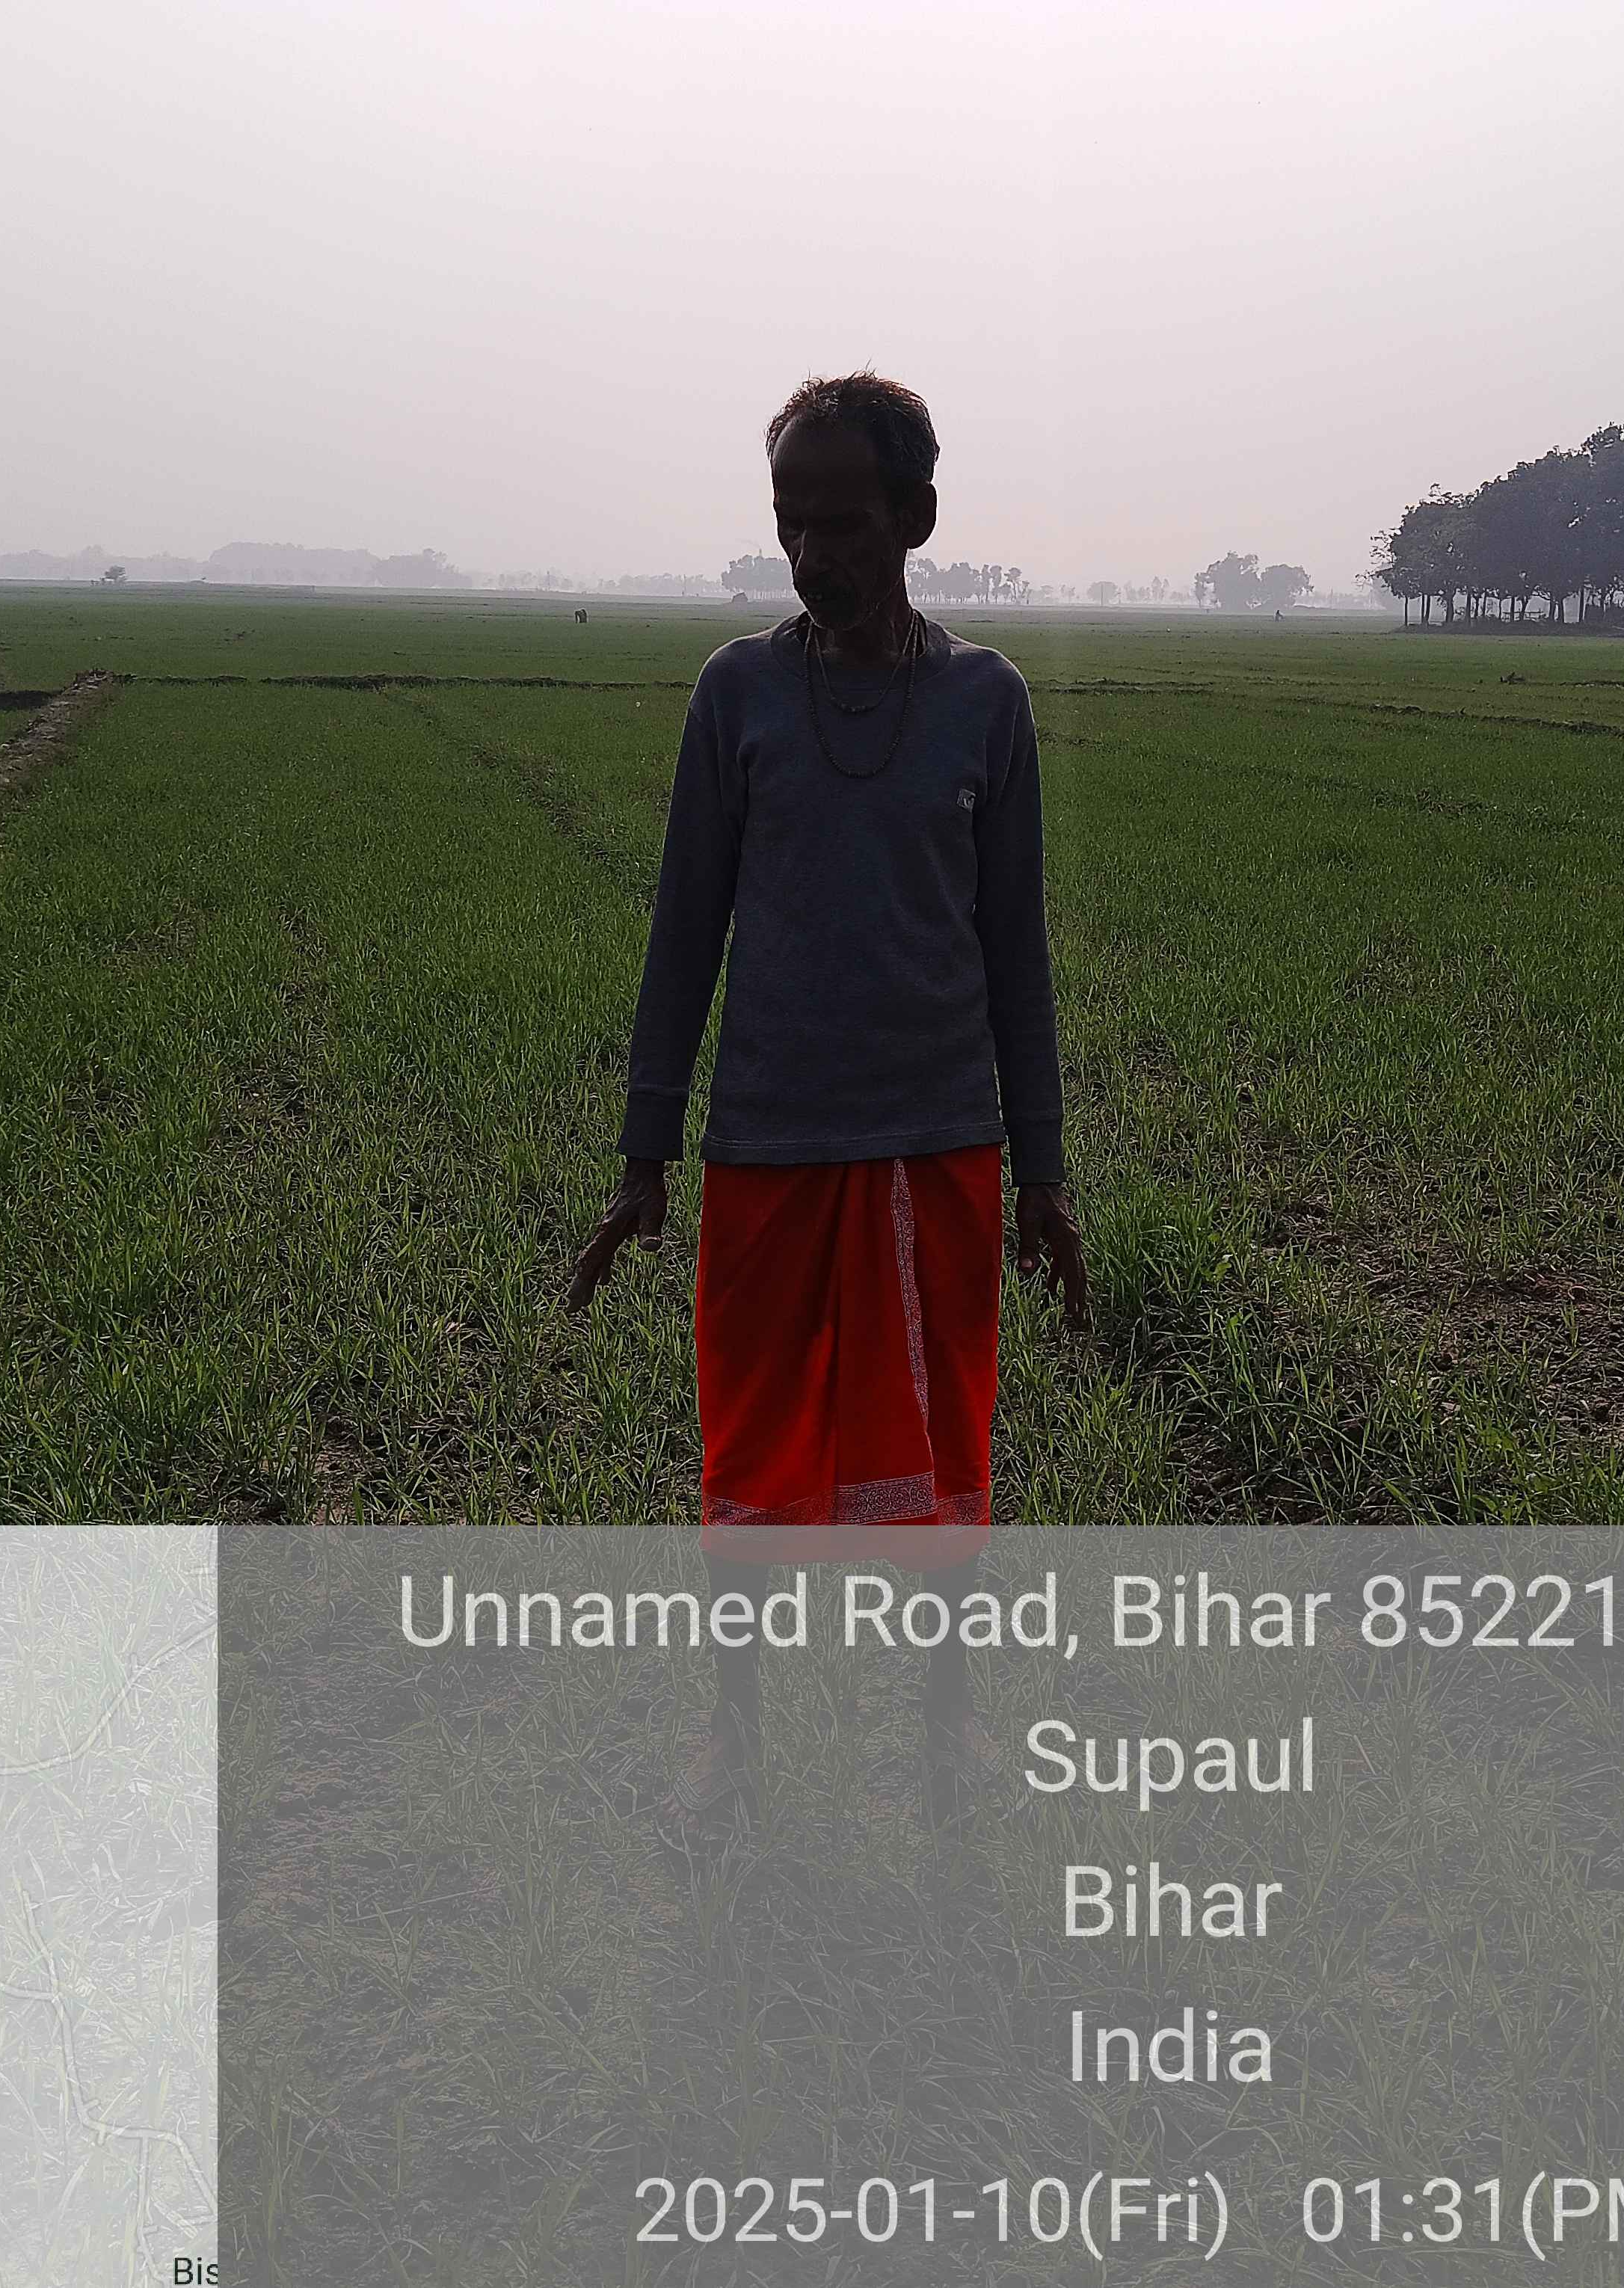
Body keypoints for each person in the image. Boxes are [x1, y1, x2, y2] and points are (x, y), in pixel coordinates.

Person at [568, 371, 1089, 1837]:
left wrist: (1044, 1172)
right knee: (749, 1459)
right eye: (792, 523)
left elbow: (1016, 951)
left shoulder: (987, 704)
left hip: (939, 1146)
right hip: (770, 1144)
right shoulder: (736, 694)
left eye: (845, 523)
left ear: (916, 517)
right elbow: (685, 932)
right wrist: (644, 1156)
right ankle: (733, 1742)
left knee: (940, 1465)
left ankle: (943, 1730)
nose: (814, 555)